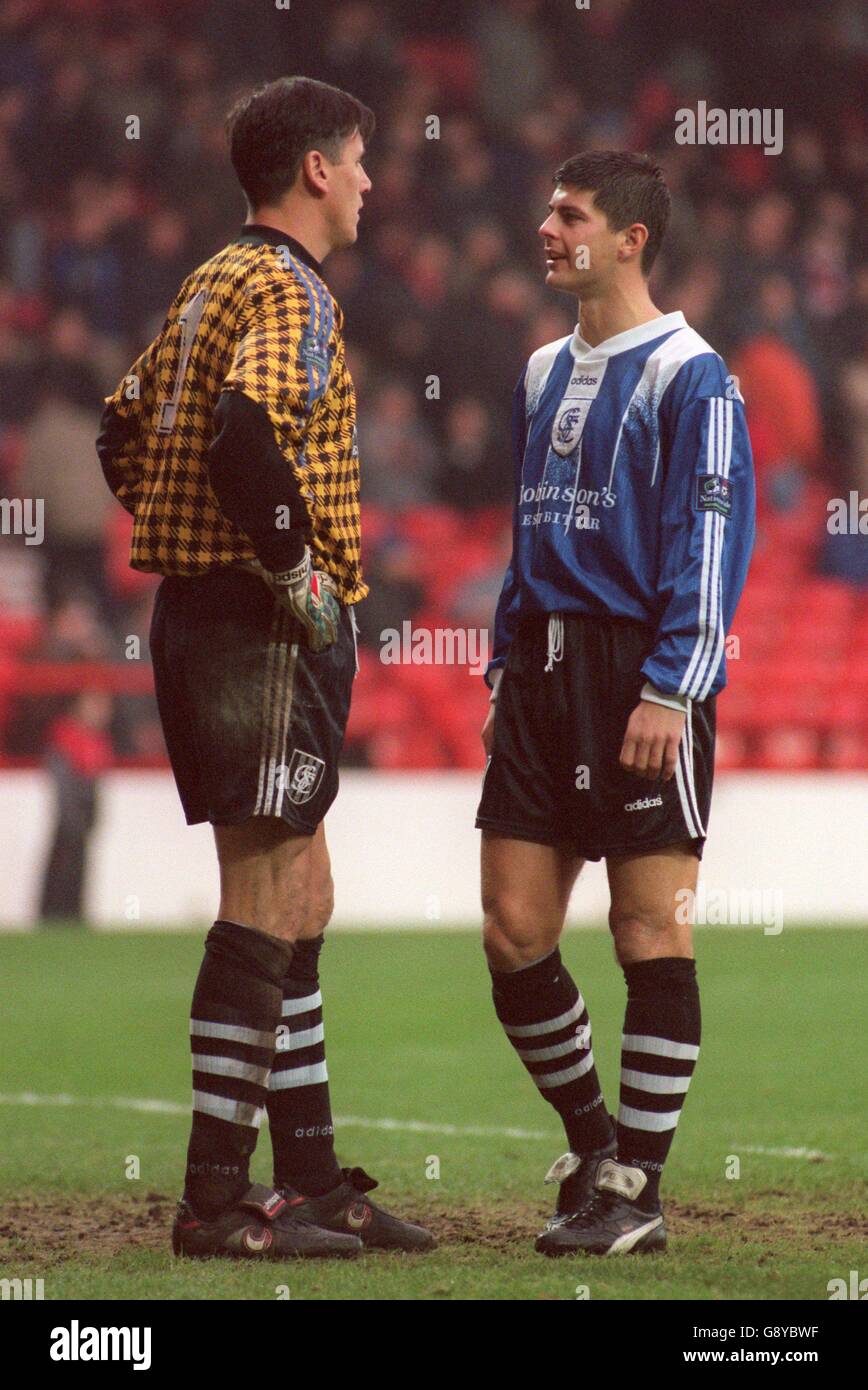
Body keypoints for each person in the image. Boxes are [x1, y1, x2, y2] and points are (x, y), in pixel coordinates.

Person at [97, 76, 433, 1260]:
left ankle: (306, 1179)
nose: (371, 182)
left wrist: (184, 532)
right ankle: (212, 1204)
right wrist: (288, 575)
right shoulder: (292, 290)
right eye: (360, 159)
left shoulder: (209, 281)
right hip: (261, 628)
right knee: (264, 898)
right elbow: (245, 431)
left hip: (205, 614)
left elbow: (120, 426)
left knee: (305, 894)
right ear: (315, 172)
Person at [477, 151, 755, 1256]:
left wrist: (672, 687)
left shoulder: (693, 374)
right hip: (541, 675)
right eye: (547, 209)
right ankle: (599, 1148)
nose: (547, 228)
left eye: (570, 213)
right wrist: (504, 667)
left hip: (637, 671)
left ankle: (635, 1187)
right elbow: (523, 537)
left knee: (647, 928)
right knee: (511, 929)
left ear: (631, 237)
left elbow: (710, 537)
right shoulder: (540, 368)